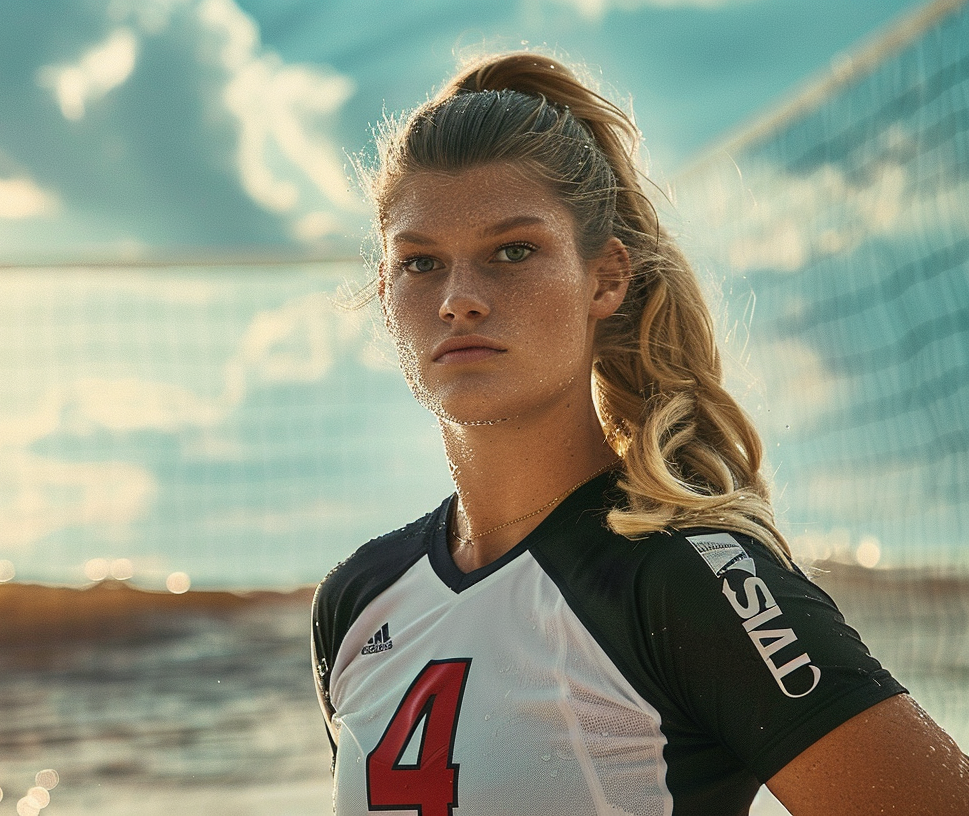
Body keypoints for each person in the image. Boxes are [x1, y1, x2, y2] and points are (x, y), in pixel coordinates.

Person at [310, 52, 969, 816]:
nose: (459, 299)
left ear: (607, 277)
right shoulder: (356, 600)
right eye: (420, 262)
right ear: (386, 290)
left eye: (513, 251)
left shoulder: (683, 580)